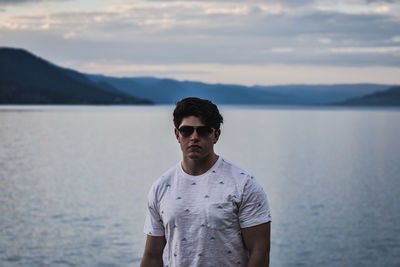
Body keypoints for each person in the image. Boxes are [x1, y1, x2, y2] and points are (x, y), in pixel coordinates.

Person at [140, 97, 271, 267]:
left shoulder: (244, 185)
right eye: (187, 131)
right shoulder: (161, 187)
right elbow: (152, 255)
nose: (194, 137)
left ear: (216, 135)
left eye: (203, 131)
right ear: (177, 135)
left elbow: (260, 251)